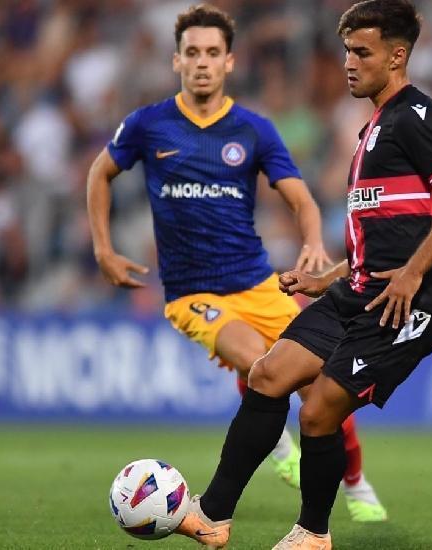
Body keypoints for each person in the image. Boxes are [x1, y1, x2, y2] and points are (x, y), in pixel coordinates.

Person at [174, 1, 432, 548]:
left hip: (409, 305)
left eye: (362, 52)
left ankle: (313, 533)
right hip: (359, 292)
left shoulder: (415, 116)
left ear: (397, 55)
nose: (349, 62)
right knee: (269, 375)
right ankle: (214, 513)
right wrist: (330, 278)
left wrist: (412, 274)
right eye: (346, 50)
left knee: (319, 411)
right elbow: (395, 231)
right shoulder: (373, 128)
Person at [85, 3, 387, 523]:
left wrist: (314, 239)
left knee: (326, 383)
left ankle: (355, 481)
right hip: (194, 295)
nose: (202, 62)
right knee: (261, 364)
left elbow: (301, 198)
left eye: (213, 53)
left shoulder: (253, 130)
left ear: (229, 62)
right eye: (192, 52)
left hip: (259, 284)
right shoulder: (149, 125)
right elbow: (99, 173)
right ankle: (274, 446)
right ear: (176, 60)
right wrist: (103, 248)